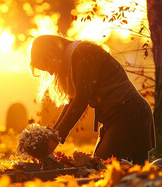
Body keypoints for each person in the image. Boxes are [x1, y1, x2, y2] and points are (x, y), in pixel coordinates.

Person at [29, 34, 155, 165]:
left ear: (52, 53)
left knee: (103, 167)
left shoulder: (83, 52)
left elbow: (81, 99)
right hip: (120, 115)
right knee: (122, 171)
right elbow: (72, 100)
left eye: (48, 66)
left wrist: (56, 137)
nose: (50, 73)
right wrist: (53, 134)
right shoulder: (74, 57)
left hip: (129, 113)